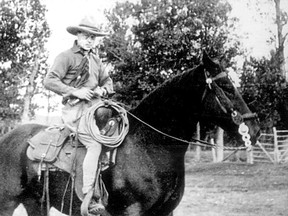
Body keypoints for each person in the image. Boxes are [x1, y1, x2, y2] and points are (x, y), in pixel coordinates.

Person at [44, 16, 114, 214]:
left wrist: (103, 90)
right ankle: (89, 196)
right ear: (77, 35)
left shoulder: (95, 60)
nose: (90, 40)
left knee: (117, 130)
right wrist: (75, 91)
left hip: (96, 109)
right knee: (94, 144)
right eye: (86, 35)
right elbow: (49, 81)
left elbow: (108, 81)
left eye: (93, 37)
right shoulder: (66, 57)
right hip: (75, 111)